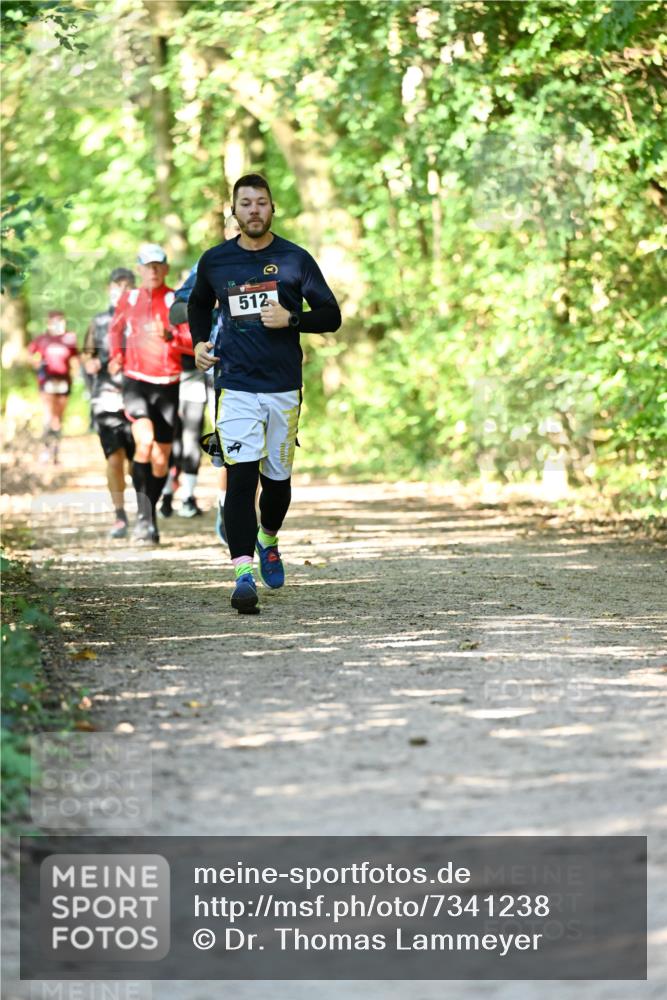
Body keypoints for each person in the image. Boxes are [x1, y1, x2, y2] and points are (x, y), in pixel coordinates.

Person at [188, 173, 341, 613]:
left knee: (276, 482)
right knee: (240, 480)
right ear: (233, 211)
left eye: (261, 203)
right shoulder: (216, 261)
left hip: (282, 387)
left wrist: (292, 320)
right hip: (235, 385)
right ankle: (242, 574)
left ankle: (268, 539)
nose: (253, 210)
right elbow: (199, 303)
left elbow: (330, 315)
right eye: (245, 203)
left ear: (272, 209)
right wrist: (199, 342)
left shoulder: (295, 259)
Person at [108, 243, 193, 544]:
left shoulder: (175, 300)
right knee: (143, 441)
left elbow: (192, 341)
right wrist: (116, 355)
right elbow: (115, 331)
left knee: (161, 459)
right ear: (139, 270)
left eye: (159, 265)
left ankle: (149, 514)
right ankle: (144, 518)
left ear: (166, 269)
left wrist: (172, 336)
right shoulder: (128, 298)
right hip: (136, 381)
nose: (153, 270)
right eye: (148, 266)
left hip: (168, 384)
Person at [81, 267, 136, 538]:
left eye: (127, 287)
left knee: (139, 461)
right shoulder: (99, 321)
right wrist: (91, 364)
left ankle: (146, 514)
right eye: (117, 286)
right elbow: (86, 355)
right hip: (106, 397)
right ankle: (120, 515)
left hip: (138, 396)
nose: (121, 291)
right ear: (109, 289)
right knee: (115, 458)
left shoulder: (141, 319)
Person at [28, 310, 79, 464]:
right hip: (47, 382)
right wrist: (37, 365)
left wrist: (76, 375)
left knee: (58, 418)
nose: (59, 324)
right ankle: (46, 450)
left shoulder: (70, 339)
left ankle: (55, 451)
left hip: (64, 382)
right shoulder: (43, 339)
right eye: (55, 321)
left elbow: (75, 359)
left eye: (61, 321)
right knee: (48, 416)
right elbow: (30, 353)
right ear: (49, 323)